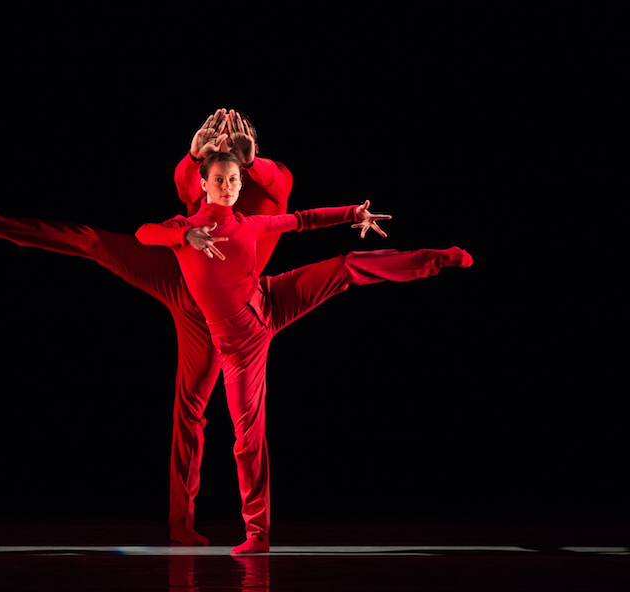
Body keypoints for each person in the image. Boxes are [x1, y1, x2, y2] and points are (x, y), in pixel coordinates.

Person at [0, 108, 293, 547]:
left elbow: (277, 182)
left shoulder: (271, 185)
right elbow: (183, 187)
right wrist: (195, 153)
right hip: (182, 282)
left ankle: (223, 527)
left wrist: (252, 160)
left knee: (204, 413)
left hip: (231, 316)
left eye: (240, 145)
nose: (229, 152)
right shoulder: (212, 178)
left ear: (253, 153)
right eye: (224, 149)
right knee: (95, 242)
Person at [135, 151, 473, 554]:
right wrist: (183, 236)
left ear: (241, 186)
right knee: (248, 437)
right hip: (240, 347)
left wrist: (352, 213)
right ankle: (258, 535)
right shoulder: (183, 226)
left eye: (233, 180)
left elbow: (304, 220)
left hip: (272, 299)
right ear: (204, 184)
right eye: (219, 180)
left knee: (346, 267)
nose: (227, 186)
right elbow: (143, 233)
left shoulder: (251, 223)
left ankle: (438, 258)